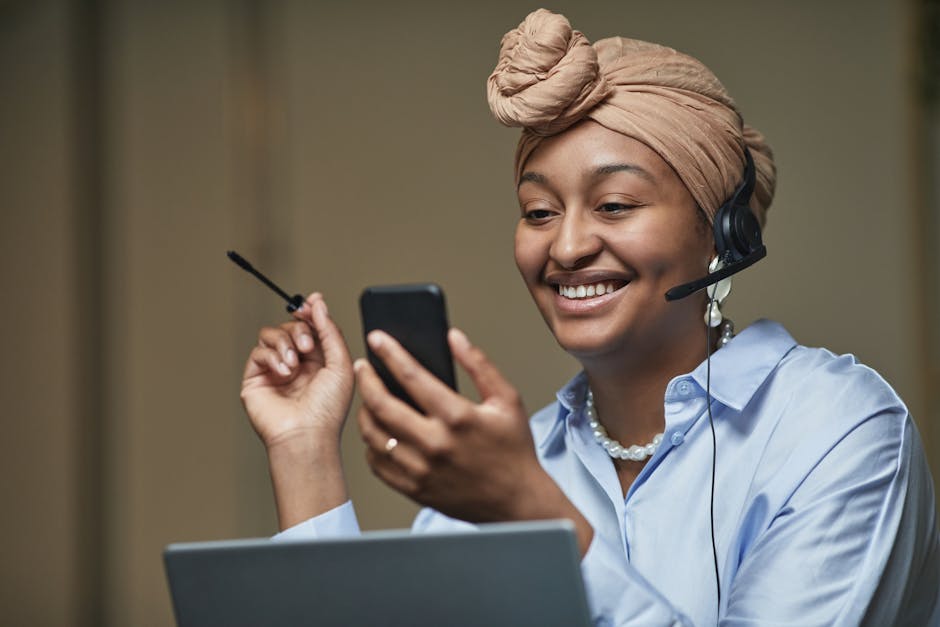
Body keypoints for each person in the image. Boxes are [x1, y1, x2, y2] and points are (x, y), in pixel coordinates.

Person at [240, 9, 939, 625]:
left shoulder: (835, 429)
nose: (567, 247)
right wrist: (302, 453)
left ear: (721, 233)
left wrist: (532, 511)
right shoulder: (498, 463)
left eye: (615, 205)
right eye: (539, 212)